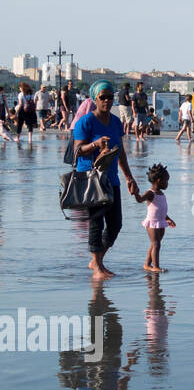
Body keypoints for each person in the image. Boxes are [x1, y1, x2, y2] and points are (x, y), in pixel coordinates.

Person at [72, 81, 142, 280]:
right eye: (103, 97)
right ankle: (98, 268)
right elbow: (77, 151)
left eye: (110, 97)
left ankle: (97, 259)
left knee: (115, 224)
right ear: (95, 99)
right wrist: (95, 144)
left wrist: (129, 178)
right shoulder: (85, 122)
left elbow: (121, 153)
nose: (107, 101)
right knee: (96, 223)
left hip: (112, 179)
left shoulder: (115, 122)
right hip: (92, 180)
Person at [135, 162, 176, 272]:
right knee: (156, 244)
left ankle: (147, 265)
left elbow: (161, 210)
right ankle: (156, 267)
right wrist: (135, 192)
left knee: (154, 245)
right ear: (159, 180)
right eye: (166, 181)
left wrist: (168, 218)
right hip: (152, 223)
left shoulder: (161, 194)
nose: (167, 183)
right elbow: (139, 200)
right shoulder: (150, 193)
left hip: (161, 222)